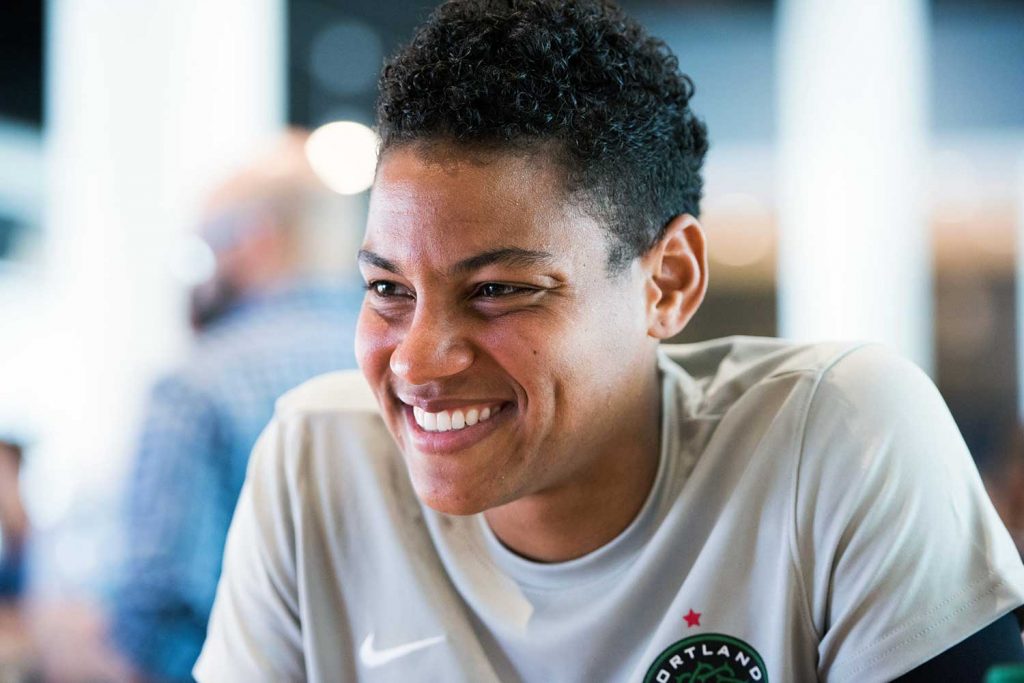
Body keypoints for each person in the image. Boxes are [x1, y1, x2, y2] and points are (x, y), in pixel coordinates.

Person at [195, 2, 1024, 681]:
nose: (415, 360)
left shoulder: (835, 434)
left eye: (497, 291)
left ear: (667, 282)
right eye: (387, 290)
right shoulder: (315, 461)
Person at [112, 132, 364, 682]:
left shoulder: (195, 387)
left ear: (255, 239)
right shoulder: (406, 374)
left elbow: (163, 606)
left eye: (204, 248)